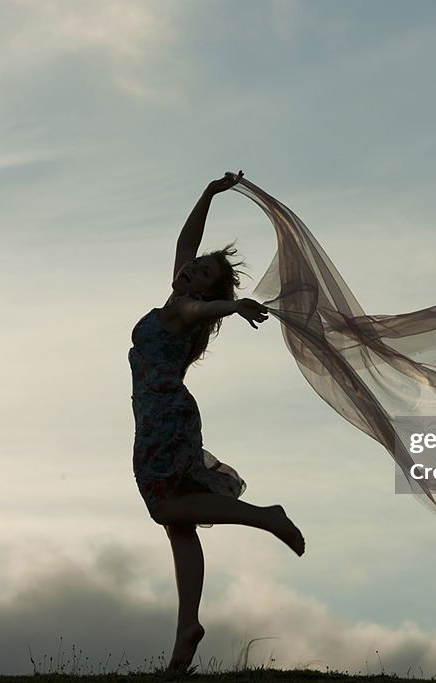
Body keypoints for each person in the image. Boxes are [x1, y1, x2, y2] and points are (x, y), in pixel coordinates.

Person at [129, 171, 305, 675]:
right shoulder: (179, 295)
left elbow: (211, 305)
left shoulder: (187, 309)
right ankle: (188, 627)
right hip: (159, 415)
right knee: (178, 522)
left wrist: (234, 304)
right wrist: (207, 194)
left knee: (166, 508)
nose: (191, 271)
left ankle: (264, 515)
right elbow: (187, 242)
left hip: (166, 417)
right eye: (194, 268)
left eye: (202, 272)